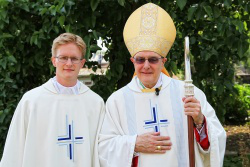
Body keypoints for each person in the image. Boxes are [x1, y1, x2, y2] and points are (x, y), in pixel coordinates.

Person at [98, 3, 226, 167]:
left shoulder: (189, 94)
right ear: (132, 61)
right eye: (140, 59)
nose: (146, 66)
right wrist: (134, 143)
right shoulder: (117, 101)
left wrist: (200, 121)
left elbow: (217, 137)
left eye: (152, 59)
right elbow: (104, 147)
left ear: (163, 61)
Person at [0, 33, 104, 167]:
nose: (68, 63)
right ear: (54, 60)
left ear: (82, 63)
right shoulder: (32, 101)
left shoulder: (95, 103)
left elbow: (103, 151)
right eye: (63, 58)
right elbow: (14, 149)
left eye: (74, 58)